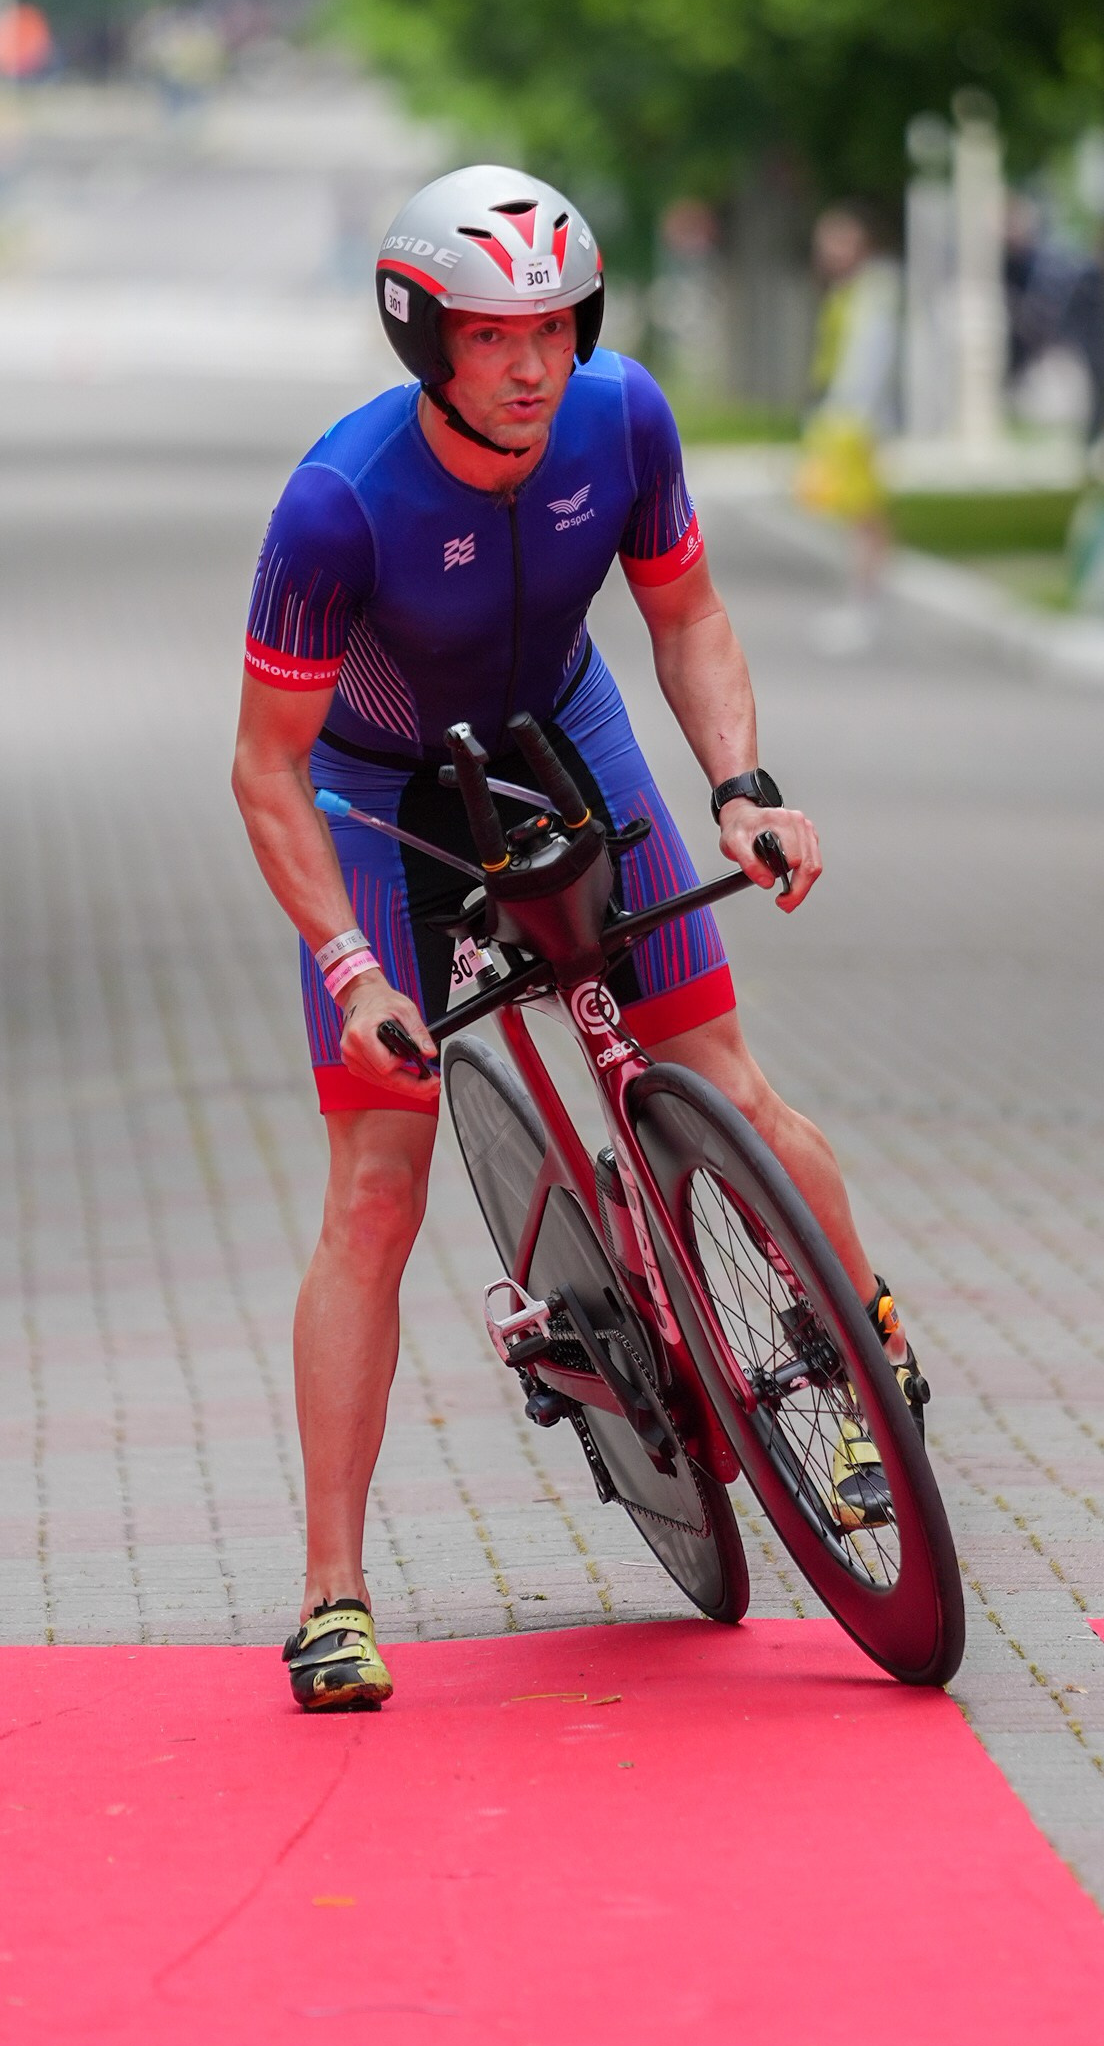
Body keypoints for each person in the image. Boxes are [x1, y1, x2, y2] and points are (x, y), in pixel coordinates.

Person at [231, 166, 930, 1712]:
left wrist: (742, 787)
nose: (533, 363)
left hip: (562, 733)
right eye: (492, 336)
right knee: (376, 1188)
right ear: (428, 339)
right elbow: (266, 764)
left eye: (555, 325)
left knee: (728, 1085)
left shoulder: (623, 421)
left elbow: (685, 615)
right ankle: (332, 1593)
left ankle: (874, 1371)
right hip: (381, 797)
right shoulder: (339, 503)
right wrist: (353, 971)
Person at [795, 202, 901, 655]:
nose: (827, 252)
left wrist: (845, 416)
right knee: (860, 516)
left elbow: (867, 362)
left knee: (864, 517)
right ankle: (862, 604)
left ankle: (865, 608)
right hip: (848, 421)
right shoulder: (851, 292)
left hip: (856, 424)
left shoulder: (871, 292)